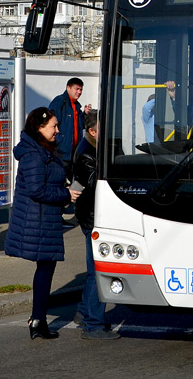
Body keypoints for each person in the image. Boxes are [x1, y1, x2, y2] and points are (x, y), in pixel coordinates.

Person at [4, 106, 80, 340]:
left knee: (47, 267)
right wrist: (65, 195)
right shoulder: (33, 154)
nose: (57, 130)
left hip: (44, 217)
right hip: (37, 219)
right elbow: (37, 190)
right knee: (45, 267)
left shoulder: (41, 149)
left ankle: (38, 319)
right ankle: (38, 320)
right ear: (39, 128)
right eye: (53, 126)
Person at [72, 109, 119, 340]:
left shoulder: (96, 147)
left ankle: (83, 312)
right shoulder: (87, 153)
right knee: (97, 271)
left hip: (94, 216)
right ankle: (93, 324)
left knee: (95, 269)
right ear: (92, 131)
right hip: (93, 219)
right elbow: (95, 184)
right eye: (104, 129)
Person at [49, 77, 86, 172]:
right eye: (76, 89)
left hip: (73, 153)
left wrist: (85, 114)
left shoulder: (77, 106)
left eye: (81, 89)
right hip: (61, 153)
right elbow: (51, 123)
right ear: (68, 88)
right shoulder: (59, 101)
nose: (79, 92)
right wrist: (59, 141)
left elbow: (79, 125)